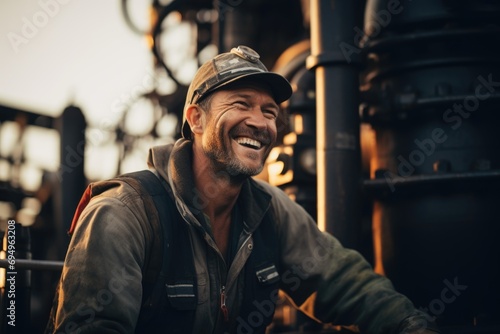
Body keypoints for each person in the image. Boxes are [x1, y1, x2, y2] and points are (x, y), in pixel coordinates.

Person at [46, 45, 440, 334]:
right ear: (196, 119)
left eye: (269, 112)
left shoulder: (270, 210)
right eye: (240, 104)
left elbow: (344, 282)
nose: (260, 122)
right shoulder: (125, 214)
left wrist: (410, 325)